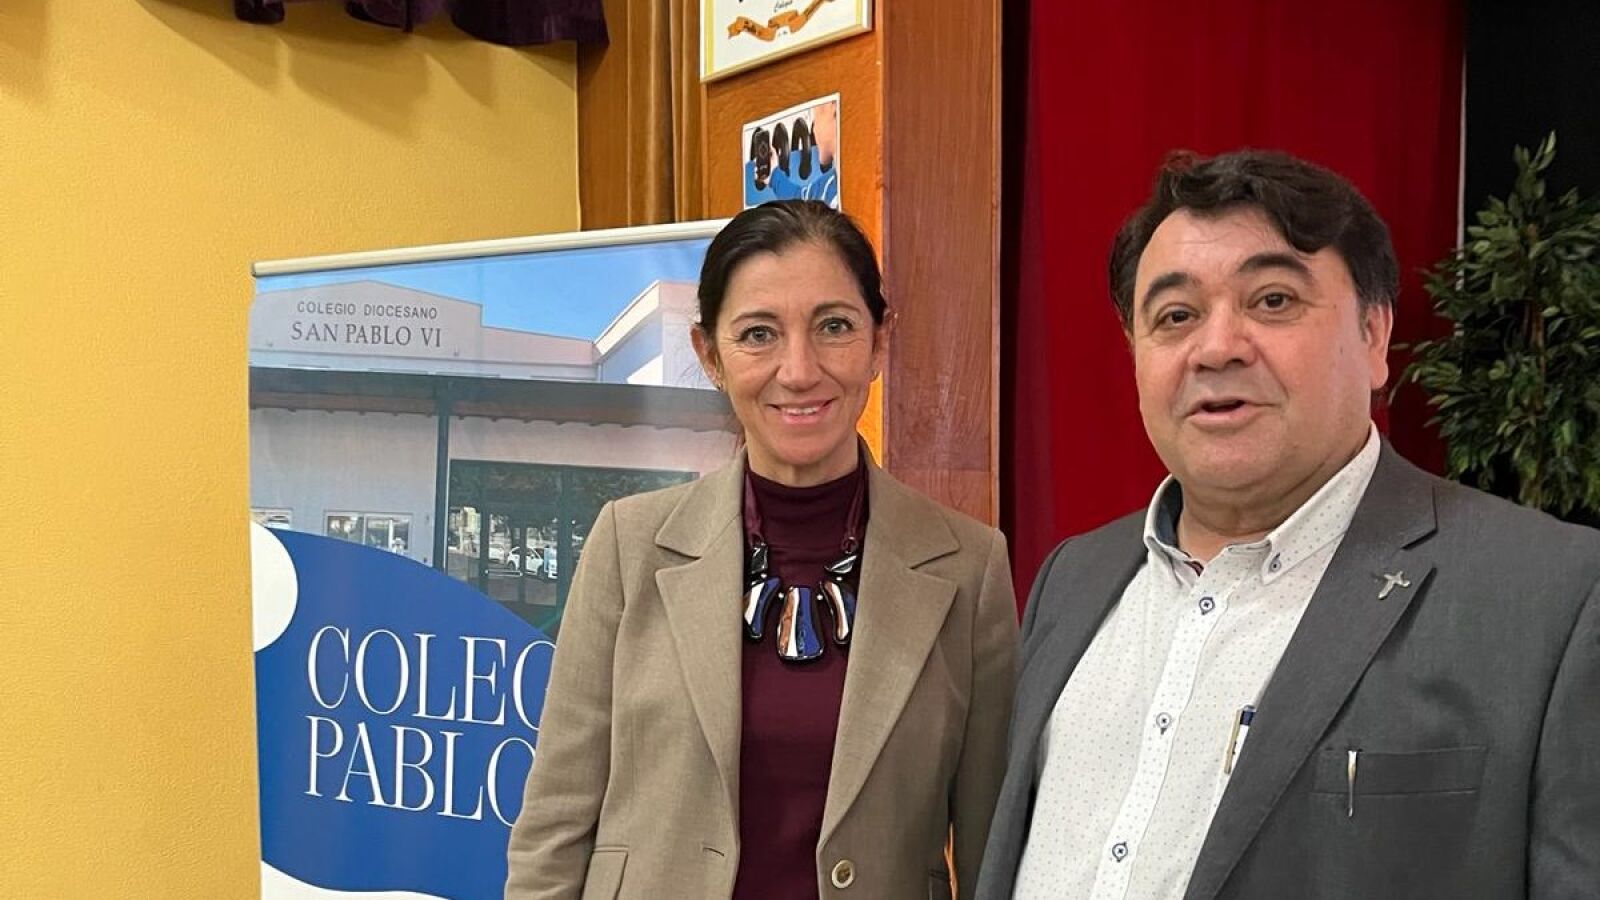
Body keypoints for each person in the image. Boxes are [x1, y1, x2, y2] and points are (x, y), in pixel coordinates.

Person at [978, 150, 1600, 900]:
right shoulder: (1073, 578)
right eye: (1176, 316)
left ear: (1374, 335)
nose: (1216, 348)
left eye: (1272, 300)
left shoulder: (1554, 597)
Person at [508, 199, 1018, 900]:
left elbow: (995, 853)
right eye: (758, 334)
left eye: (834, 326)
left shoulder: (969, 570)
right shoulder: (629, 547)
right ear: (710, 356)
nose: (799, 370)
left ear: (879, 343)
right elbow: (553, 827)